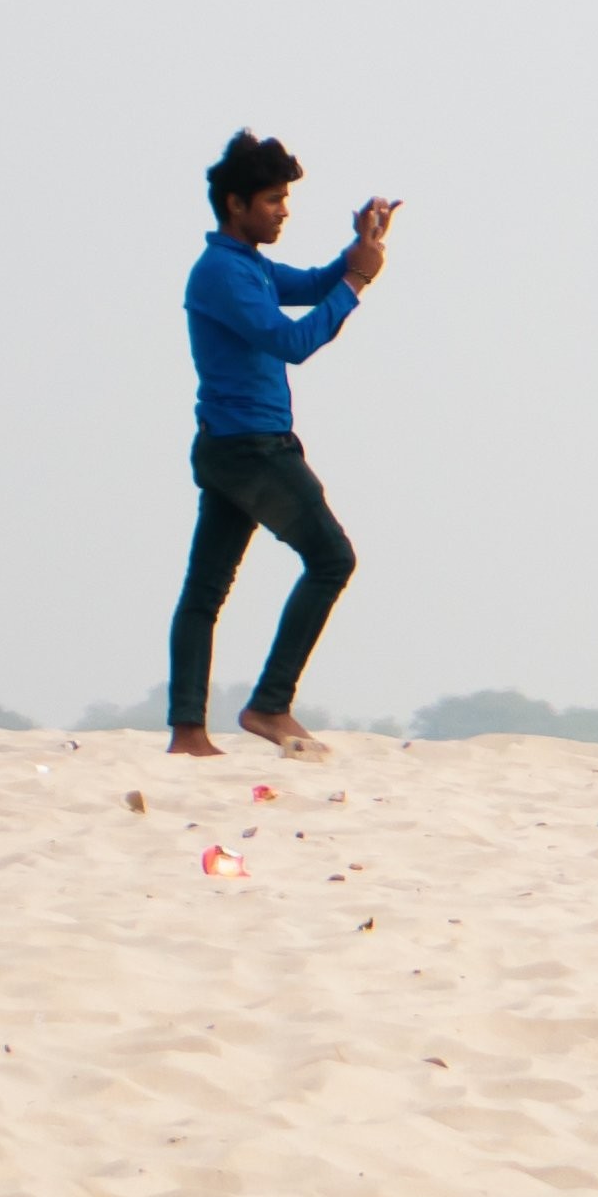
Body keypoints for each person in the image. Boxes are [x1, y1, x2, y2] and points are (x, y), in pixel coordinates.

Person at [173, 132, 394, 760]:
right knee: (332, 560)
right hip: (252, 452)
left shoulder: (249, 267)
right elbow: (291, 341)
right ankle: (269, 704)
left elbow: (315, 282)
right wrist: (355, 284)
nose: (283, 211)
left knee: (204, 592)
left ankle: (188, 733)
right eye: (272, 200)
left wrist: (361, 253)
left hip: (229, 448)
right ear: (235, 203)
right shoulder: (222, 273)